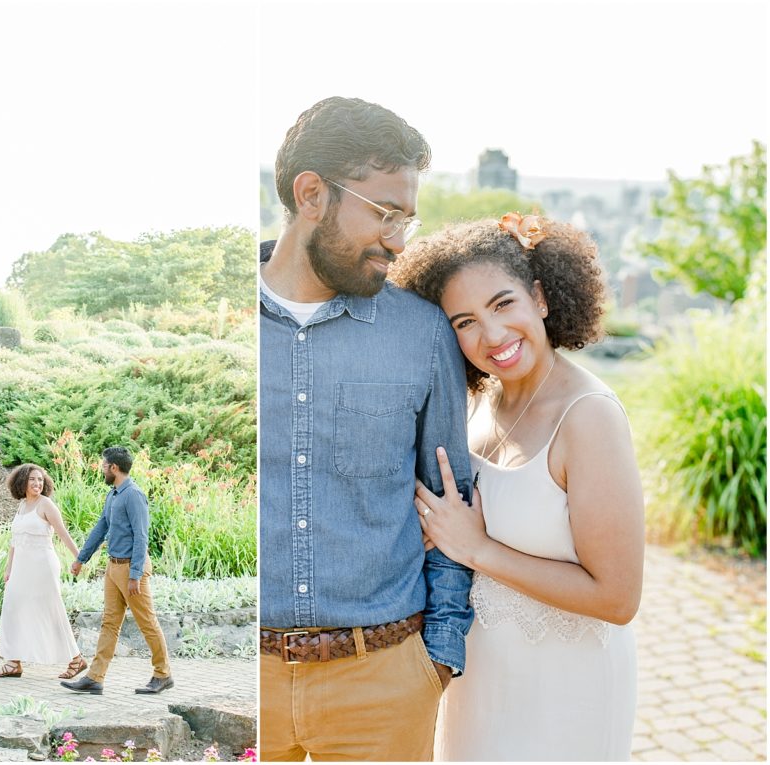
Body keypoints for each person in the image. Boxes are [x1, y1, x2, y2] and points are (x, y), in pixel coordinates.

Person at [259, 96, 474, 761]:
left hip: (384, 685)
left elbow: (453, 495)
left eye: (408, 219)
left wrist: (438, 656)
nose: (399, 241)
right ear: (312, 194)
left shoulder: (422, 333)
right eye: (385, 213)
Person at [391, 214, 645, 761]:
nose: (493, 336)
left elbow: (618, 597)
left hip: (565, 689)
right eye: (465, 321)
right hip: (481, 679)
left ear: (541, 298)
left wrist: (477, 548)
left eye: (503, 304)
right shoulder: (480, 405)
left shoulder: (588, 416)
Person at [60, 446, 173, 695]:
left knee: (147, 622)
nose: (102, 469)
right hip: (113, 567)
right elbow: (101, 528)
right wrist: (81, 559)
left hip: (132, 569)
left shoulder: (133, 495)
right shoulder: (113, 495)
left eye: (104, 466)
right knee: (109, 623)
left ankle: (163, 674)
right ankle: (95, 677)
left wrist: (134, 575)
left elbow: (142, 537)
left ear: (114, 467)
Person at [0, 463, 87, 680]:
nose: (37, 483)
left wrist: (79, 558)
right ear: (22, 482)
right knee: (13, 608)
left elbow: (63, 534)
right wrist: (9, 568)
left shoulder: (46, 505)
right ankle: (13, 662)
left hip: (42, 565)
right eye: (33, 479)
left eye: (41, 480)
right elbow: (14, 541)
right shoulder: (22, 505)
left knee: (51, 610)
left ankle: (76, 659)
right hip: (21, 567)